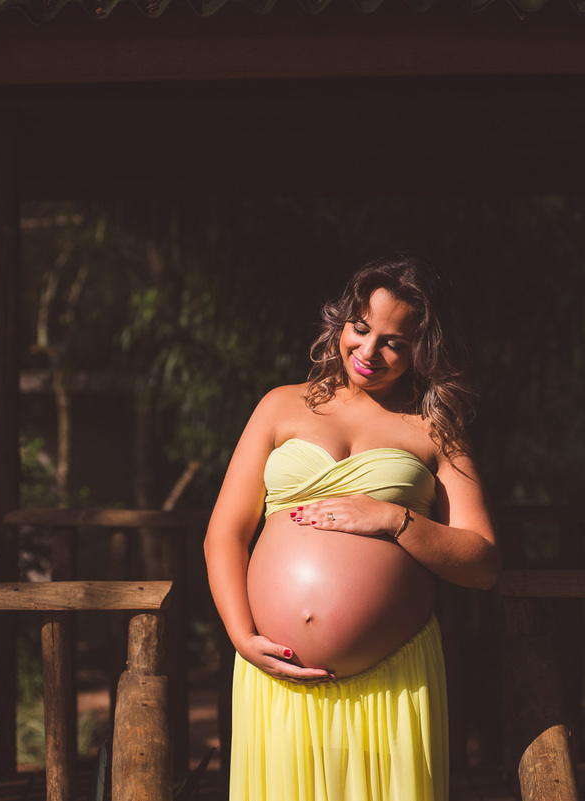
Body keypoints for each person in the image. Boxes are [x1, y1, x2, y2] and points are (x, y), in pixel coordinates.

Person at [204, 253, 500, 800]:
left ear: (422, 350)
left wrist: (393, 519)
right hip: (277, 679)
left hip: (392, 683)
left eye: (394, 342)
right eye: (360, 329)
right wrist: (241, 637)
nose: (368, 352)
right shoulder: (280, 406)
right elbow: (224, 532)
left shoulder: (436, 430)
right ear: (340, 323)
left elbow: (482, 562)